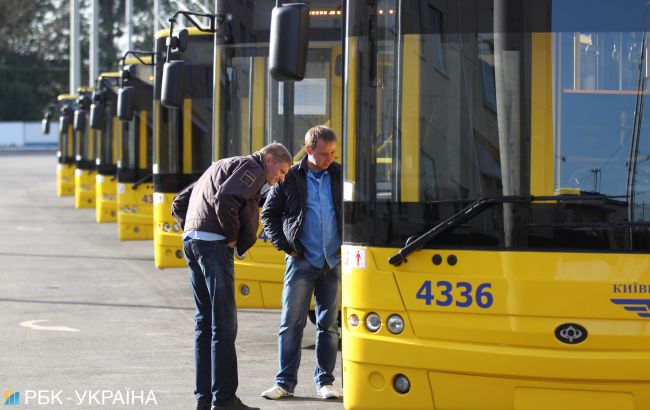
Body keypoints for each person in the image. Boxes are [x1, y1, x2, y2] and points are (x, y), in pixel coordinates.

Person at [172, 143, 292, 410]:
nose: (280, 178)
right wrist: (232, 236)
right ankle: (224, 399)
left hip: (193, 243)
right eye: (281, 170)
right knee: (224, 325)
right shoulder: (252, 168)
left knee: (205, 324)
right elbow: (226, 198)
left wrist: (191, 229)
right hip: (214, 246)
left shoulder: (220, 165)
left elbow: (180, 201)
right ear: (269, 159)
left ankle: (204, 399)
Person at [260, 125, 343, 401]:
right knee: (291, 324)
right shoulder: (291, 177)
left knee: (329, 326)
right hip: (302, 262)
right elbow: (268, 215)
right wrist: (285, 247)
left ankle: (326, 383)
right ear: (308, 150)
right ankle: (284, 383)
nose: (328, 158)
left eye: (332, 152)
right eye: (323, 153)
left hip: (333, 262)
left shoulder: (340, 175)